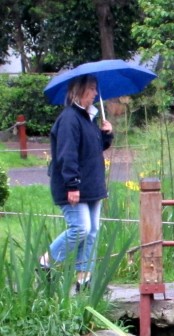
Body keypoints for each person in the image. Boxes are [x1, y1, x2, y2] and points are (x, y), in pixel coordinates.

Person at [42, 74, 114, 291]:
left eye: (95, 89)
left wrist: (106, 135)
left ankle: (84, 278)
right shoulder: (69, 119)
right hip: (74, 187)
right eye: (91, 89)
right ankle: (47, 262)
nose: (95, 93)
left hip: (93, 185)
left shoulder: (88, 119)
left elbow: (93, 150)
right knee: (80, 228)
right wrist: (72, 185)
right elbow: (67, 154)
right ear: (79, 90)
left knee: (92, 232)